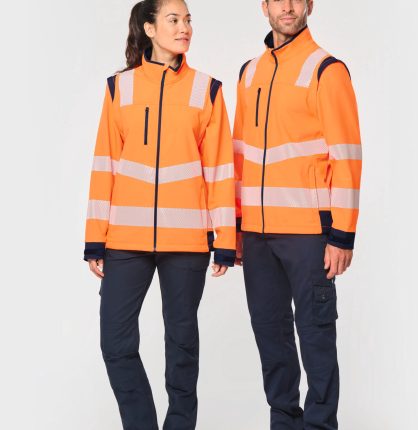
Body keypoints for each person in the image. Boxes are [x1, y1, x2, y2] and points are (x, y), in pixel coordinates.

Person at [83, 1, 236, 429]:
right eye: (174, 20)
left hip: (187, 242)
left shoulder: (207, 90)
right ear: (149, 28)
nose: (184, 27)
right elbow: (104, 165)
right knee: (115, 342)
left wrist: (225, 239)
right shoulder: (120, 88)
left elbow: (221, 170)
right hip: (125, 240)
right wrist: (96, 237)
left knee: (182, 345)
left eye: (188, 20)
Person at [234, 0, 362, 428]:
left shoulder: (327, 70)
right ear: (264, 6)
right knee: (271, 342)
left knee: (316, 341)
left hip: (309, 234)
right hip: (257, 235)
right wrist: (237, 227)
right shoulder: (248, 73)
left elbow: (346, 156)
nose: (287, 7)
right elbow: (239, 156)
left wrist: (342, 234)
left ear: (310, 4)